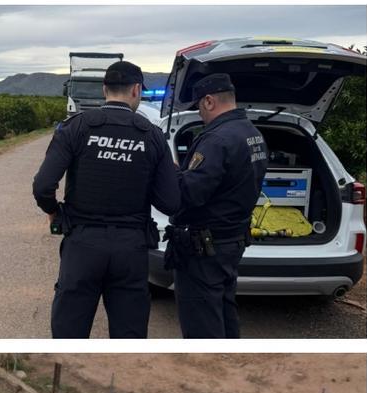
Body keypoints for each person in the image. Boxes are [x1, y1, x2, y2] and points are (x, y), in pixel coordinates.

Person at [33, 60, 181, 338]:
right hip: (131, 249)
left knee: (69, 334)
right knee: (129, 337)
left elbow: (42, 186)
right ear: (136, 90)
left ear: (104, 89)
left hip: (82, 244)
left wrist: (54, 212)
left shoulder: (75, 127)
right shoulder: (153, 136)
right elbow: (170, 203)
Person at [167, 72, 269, 338]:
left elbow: (189, 194)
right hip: (231, 241)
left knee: (202, 325)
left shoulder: (216, 139)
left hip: (204, 249)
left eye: (199, 106)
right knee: (224, 312)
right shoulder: (252, 133)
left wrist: (174, 172)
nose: (200, 113)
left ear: (209, 101)